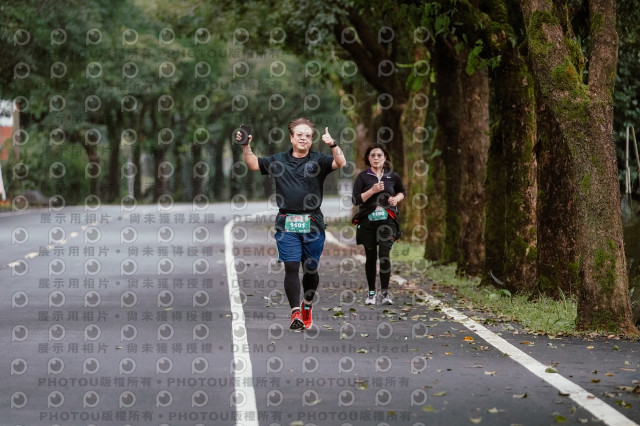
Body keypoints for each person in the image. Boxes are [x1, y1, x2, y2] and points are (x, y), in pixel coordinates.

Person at [237, 118, 346, 330]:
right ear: (291, 137)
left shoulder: (320, 160)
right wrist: (246, 146)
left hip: (313, 222)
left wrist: (333, 144)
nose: (303, 138)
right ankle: (295, 312)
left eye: (307, 135)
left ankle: (307, 305)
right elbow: (252, 163)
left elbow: (340, 163)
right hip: (287, 222)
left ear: (312, 139)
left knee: (311, 269)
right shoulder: (278, 160)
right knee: (291, 266)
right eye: (299, 134)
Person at [351, 144, 405, 305]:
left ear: (385, 158)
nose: (376, 158)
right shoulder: (362, 177)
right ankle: (371, 293)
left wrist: (396, 199)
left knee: (384, 255)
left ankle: (386, 294)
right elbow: (356, 199)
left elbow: (402, 191)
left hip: (387, 222)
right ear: (368, 158)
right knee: (371, 257)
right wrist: (372, 191)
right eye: (372, 155)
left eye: (379, 155)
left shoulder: (392, 176)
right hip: (367, 222)